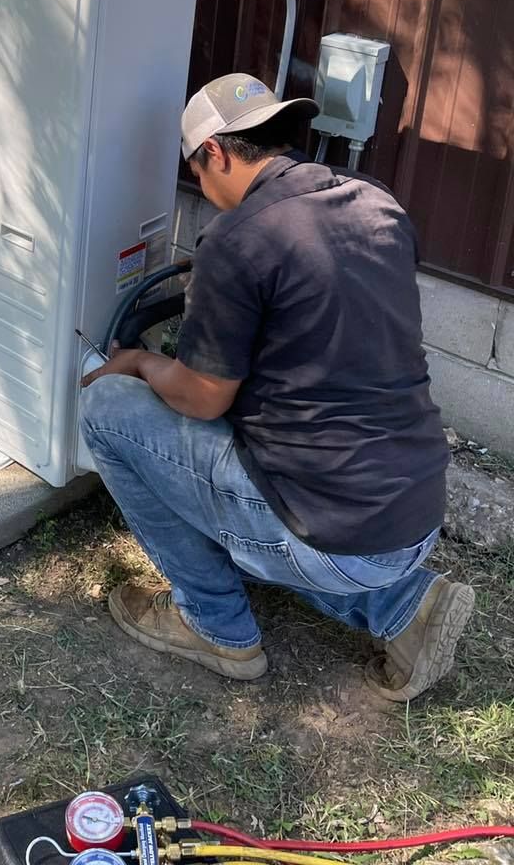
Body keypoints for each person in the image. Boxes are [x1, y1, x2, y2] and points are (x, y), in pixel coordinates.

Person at [80, 72, 472, 699]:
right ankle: (405, 607)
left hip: (331, 532)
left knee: (104, 407)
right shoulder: (375, 202)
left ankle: (213, 626)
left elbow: (203, 395)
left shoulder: (238, 240)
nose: (204, 191)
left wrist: (141, 364)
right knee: (296, 504)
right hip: (412, 512)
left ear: (213, 153)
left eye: (198, 174)